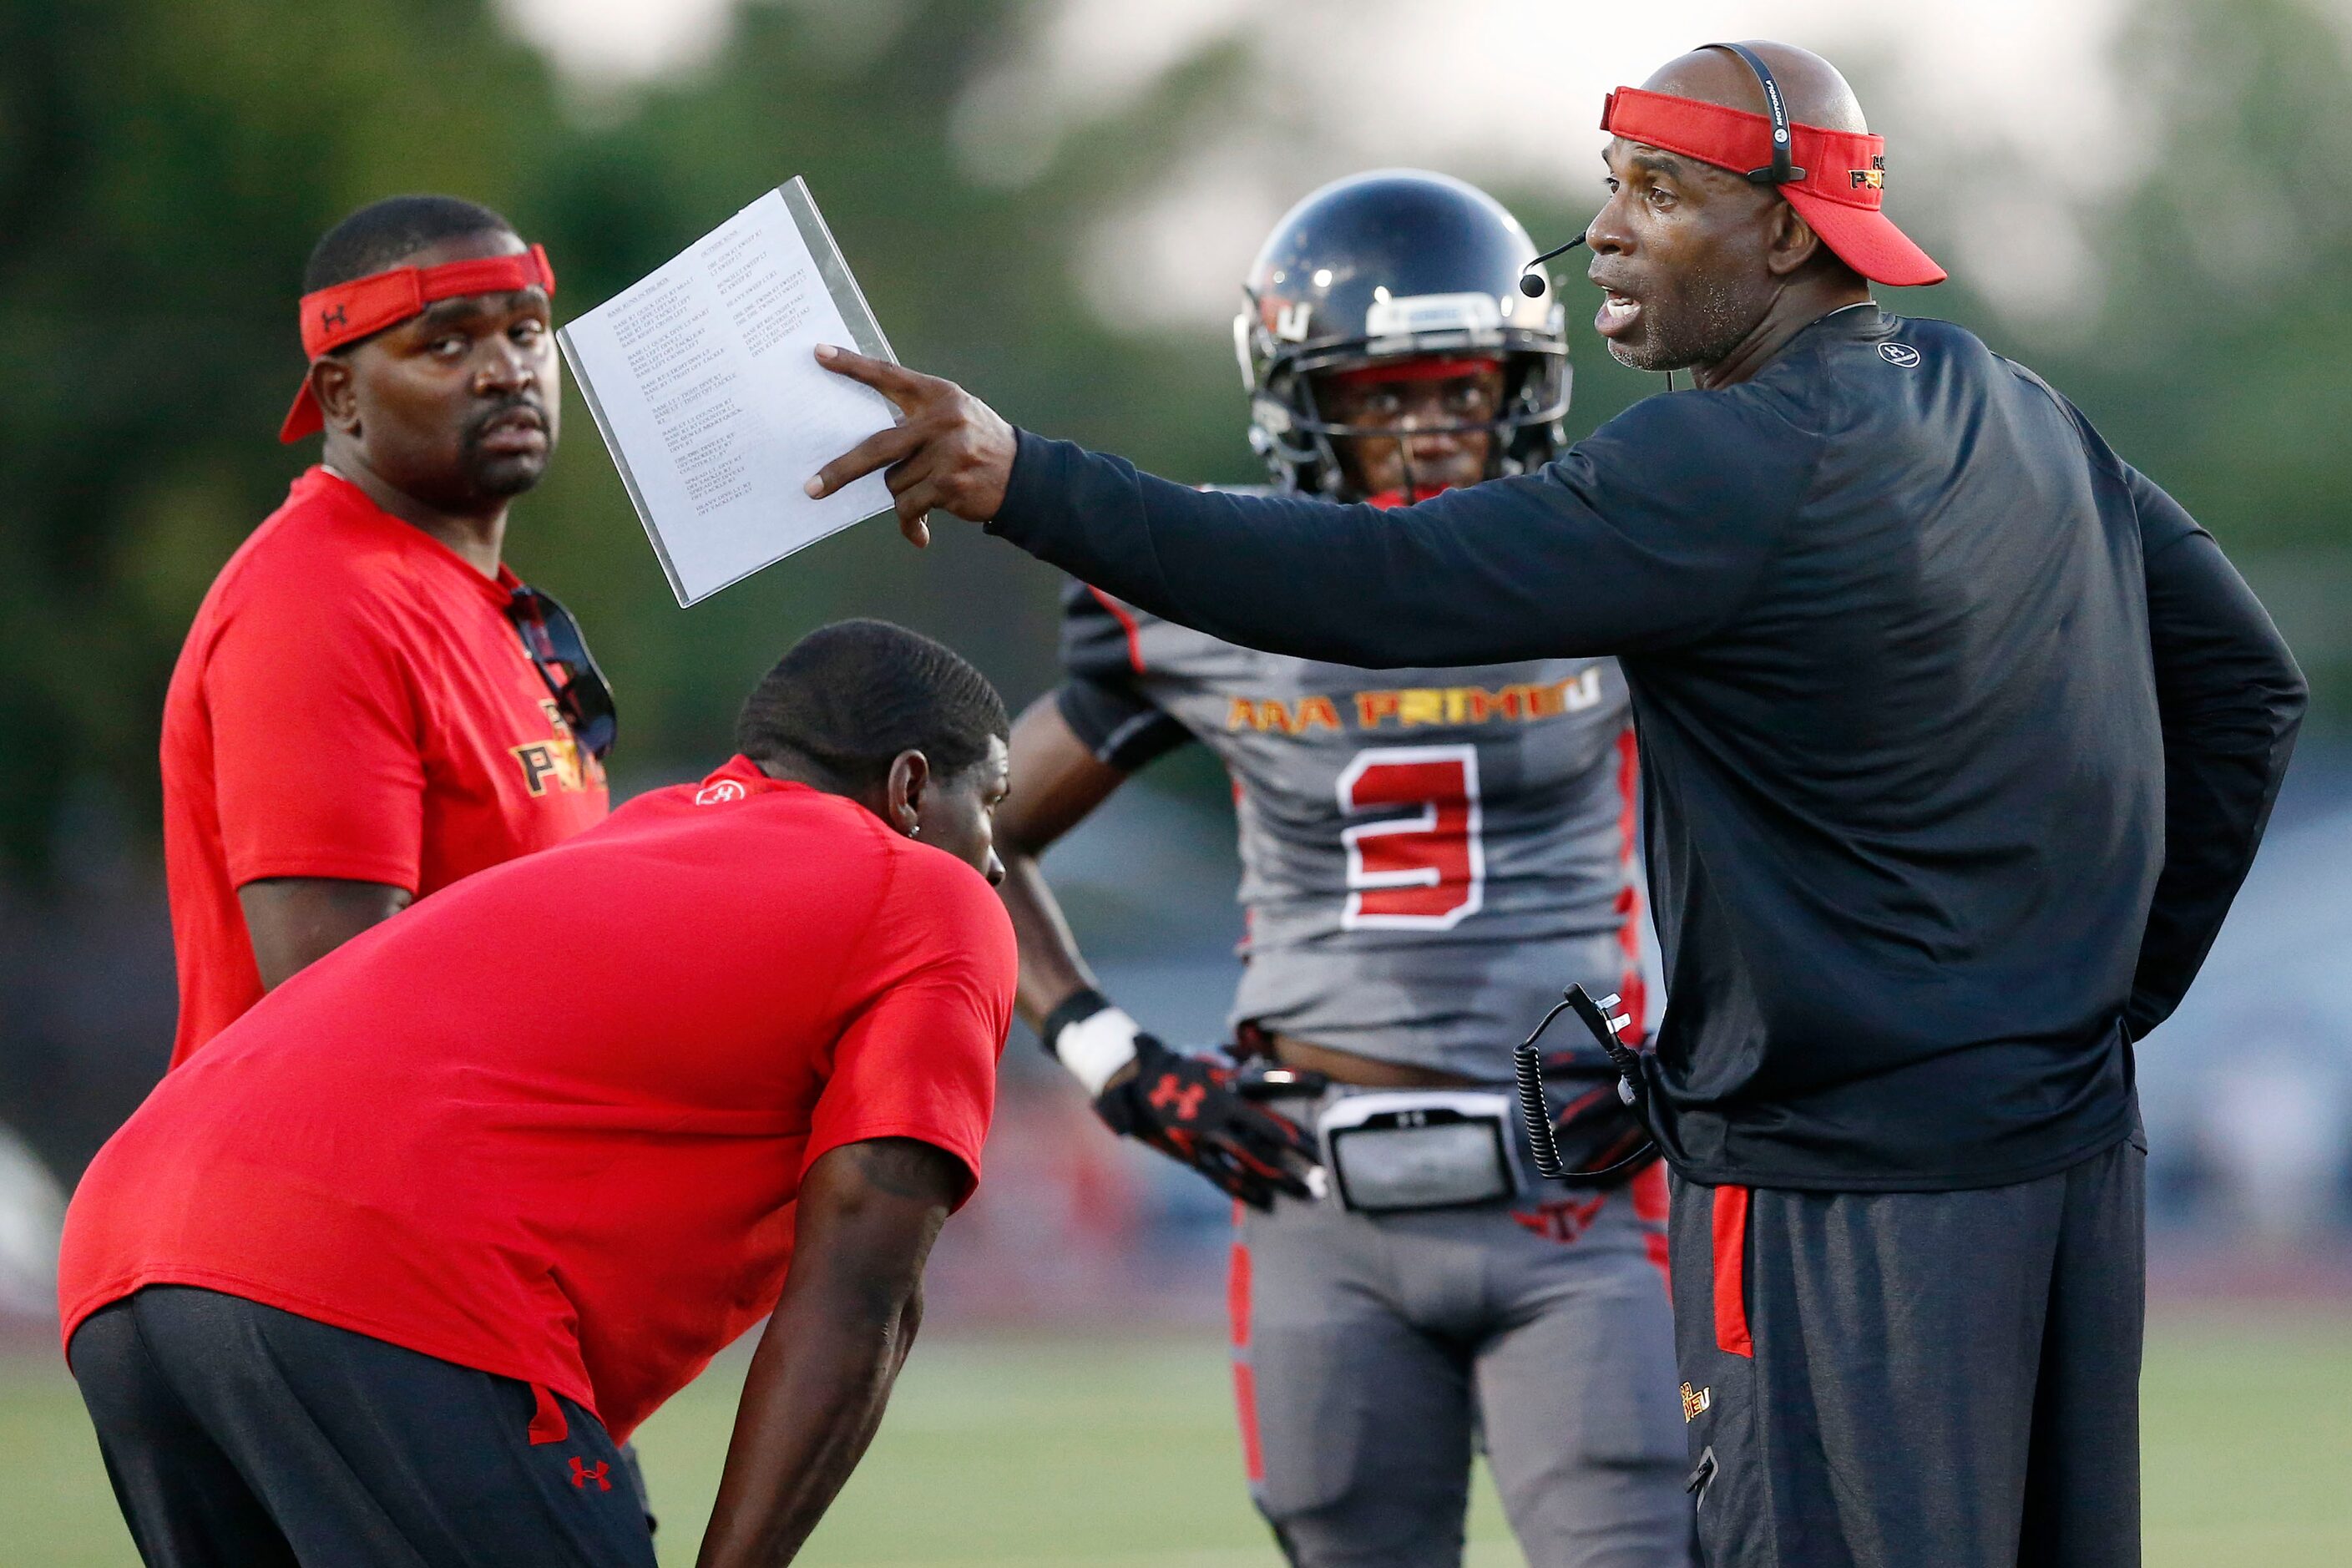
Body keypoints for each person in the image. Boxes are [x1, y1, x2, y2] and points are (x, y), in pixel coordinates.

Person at [805, 41, 2309, 1568]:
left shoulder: (1723, 459)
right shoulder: (2015, 402)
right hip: (2061, 1148)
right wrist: (2106, 999)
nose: (1602, 231)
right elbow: (2248, 688)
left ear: (1788, 232)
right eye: (1610, 188)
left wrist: (1023, 476)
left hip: (1840, 1185)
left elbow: (1373, 579)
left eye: (1656, 192)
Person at [999, 170, 1688, 1567]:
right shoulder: (1200, 597)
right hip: (1312, 1182)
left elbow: (1802, 824)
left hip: (1584, 1183)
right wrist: (1107, 1054)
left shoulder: (1627, 562)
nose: (1429, 428)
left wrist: (1699, 1042)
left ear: (1525, 389)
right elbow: (961, 833)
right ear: (1302, 402)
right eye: (1385, 395)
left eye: (1461, 388)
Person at [58, 620, 1016, 1568]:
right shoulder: (930, 895)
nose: (1001, 860)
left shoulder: (637, 837)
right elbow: (864, 1288)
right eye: (995, 805)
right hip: (362, 1267)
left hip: (124, 1247)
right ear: (912, 788)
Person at [160, 193, 609, 1067]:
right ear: (341, 394)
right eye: (446, 343)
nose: (506, 371)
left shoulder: (488, 603)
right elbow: (341, 1011)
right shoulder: (319, 605)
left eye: (525, 331)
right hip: (334, 1191)